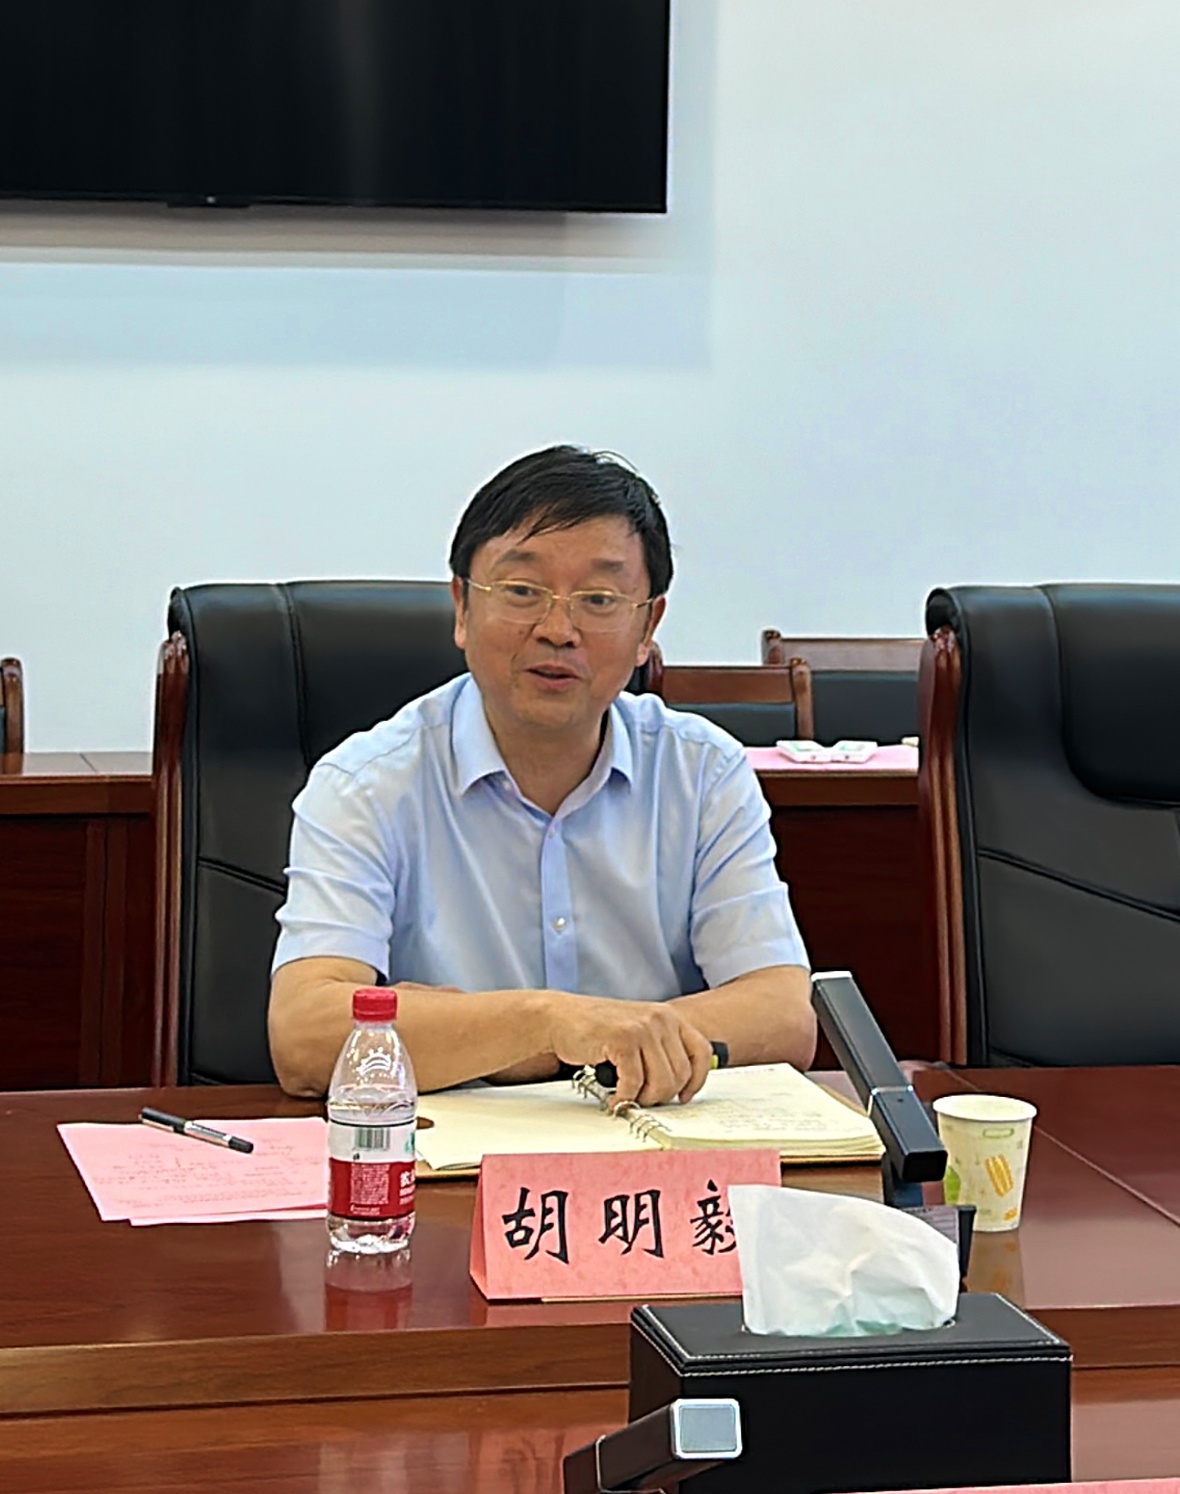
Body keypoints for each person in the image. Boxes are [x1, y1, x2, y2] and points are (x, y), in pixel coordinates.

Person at [268, 445, 815, 1106]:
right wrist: (545, 1023)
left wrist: (522, 1035)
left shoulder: (702, 772)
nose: (559, 629)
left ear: (648, 626)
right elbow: (304, 1036)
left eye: (599, 598)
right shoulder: (365, 784)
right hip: (451, 1158)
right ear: (462, 608)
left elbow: (783, 1015)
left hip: (648, 1142)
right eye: (523, 592)